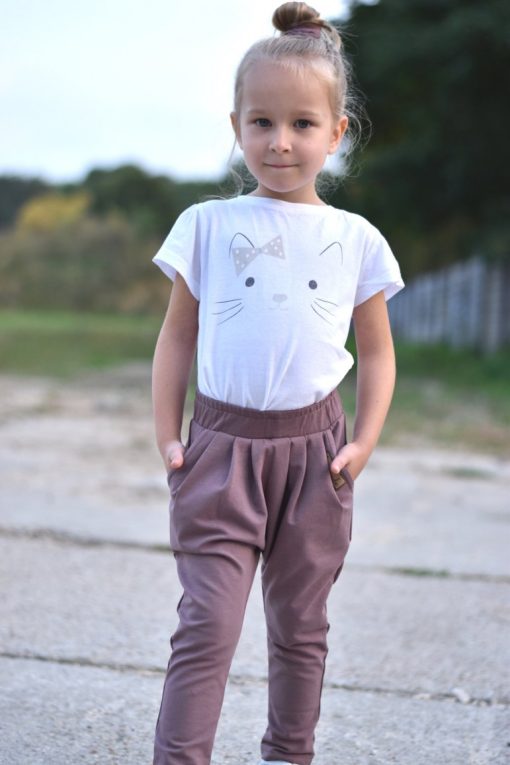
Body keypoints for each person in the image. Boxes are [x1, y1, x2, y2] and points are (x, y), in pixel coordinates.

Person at [151, 3, 404, 764]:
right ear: (237, 127)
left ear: (337, 132)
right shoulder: (205, 224)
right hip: (219, 452)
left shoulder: (357, 239)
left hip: (316, 459)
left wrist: (364, 441)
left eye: (301, 123)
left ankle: (289, 753)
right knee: (207, 625)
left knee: (300, 628)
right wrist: (167, 433)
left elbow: (377, 353)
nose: (280, 141)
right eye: (261, 122)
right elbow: (178, 335)